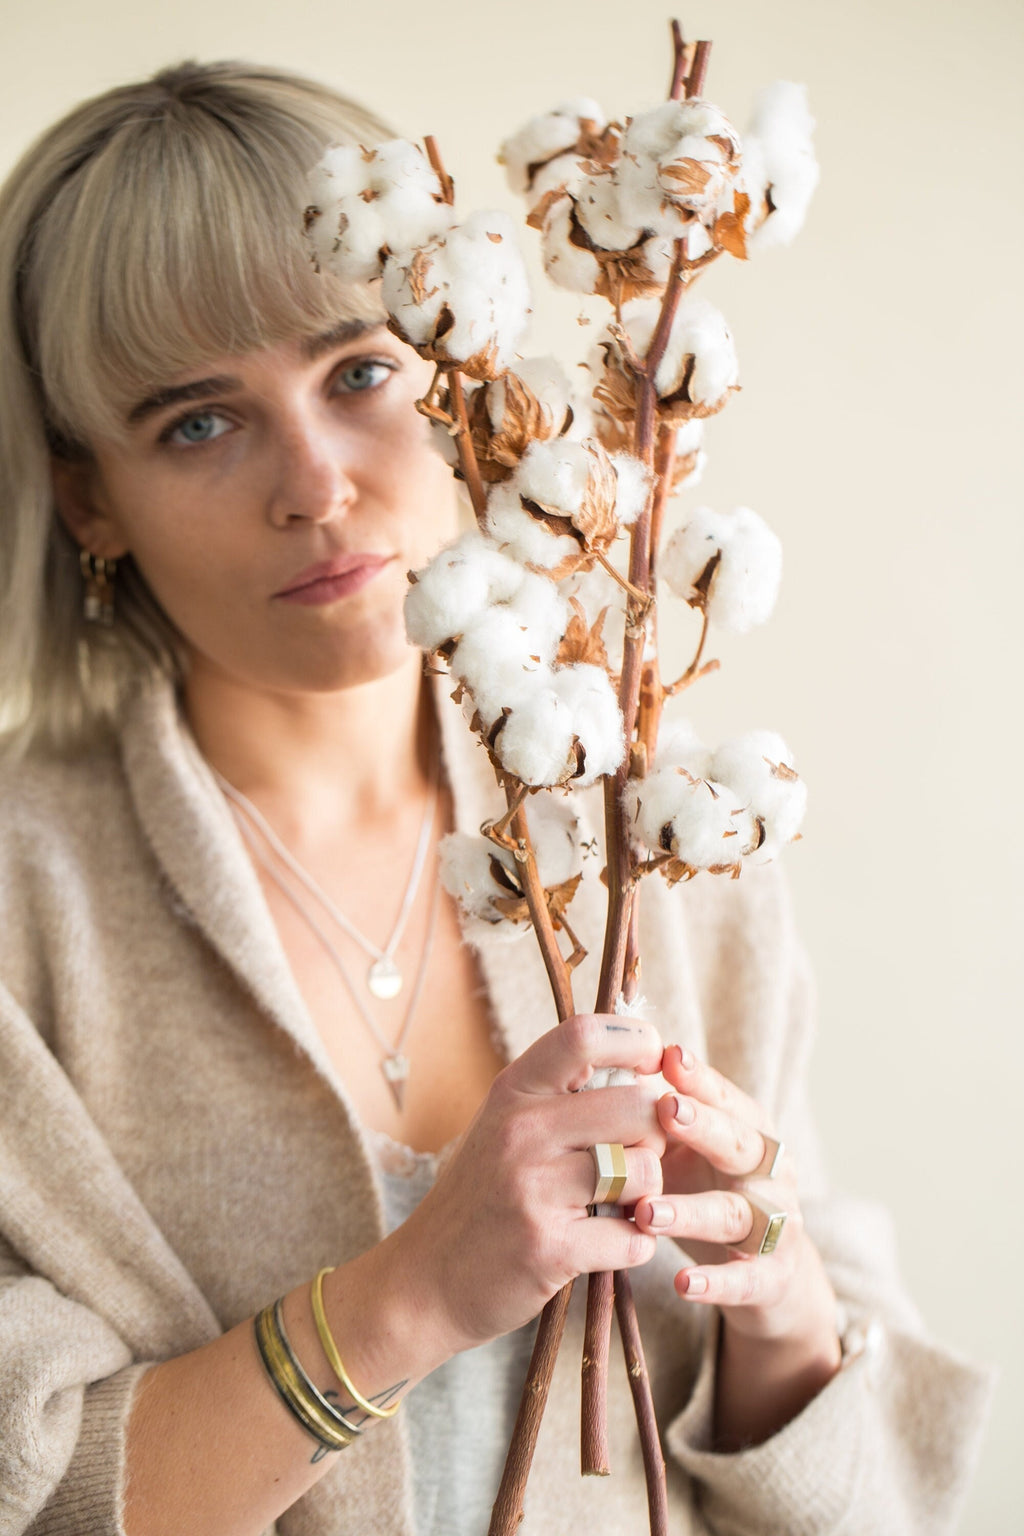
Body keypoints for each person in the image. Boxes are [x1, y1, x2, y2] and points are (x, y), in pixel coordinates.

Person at [0, 61, 992, 1536]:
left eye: (358, 372)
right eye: (200, 423)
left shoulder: (659, 831)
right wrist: (410, 1295)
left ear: (462, 372)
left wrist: (774, 1305)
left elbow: (864, 1492)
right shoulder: (26, 907)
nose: (317, 485)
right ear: (92, 501)